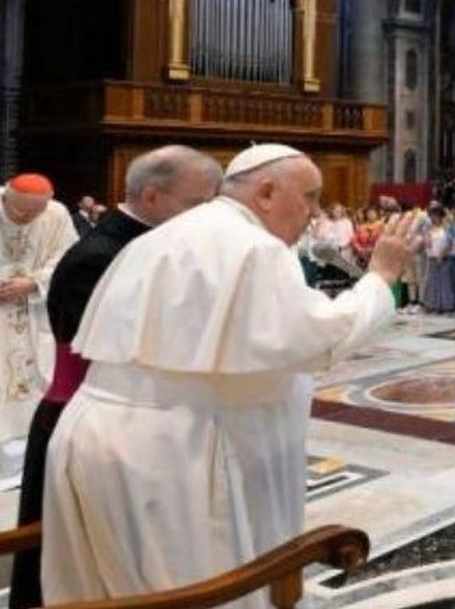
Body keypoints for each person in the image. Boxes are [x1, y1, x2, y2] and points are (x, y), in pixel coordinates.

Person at [41, 144, 413, 607]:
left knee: (108, 586)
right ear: (266, 192)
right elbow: (323, 338)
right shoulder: (252, 247)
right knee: (192, 589)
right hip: (174, 451)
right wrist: (380, 276)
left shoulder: (165, 235)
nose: (314, 212)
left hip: (98, 436)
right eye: (310, 197)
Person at [10, 147, 221, 609]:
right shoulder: (100, 255)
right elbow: (113, 354)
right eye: (196, 204)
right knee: (73, 561)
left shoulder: (147, 244)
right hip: (87, 423)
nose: (206, 217)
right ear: (151, 196)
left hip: (130, 423)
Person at [0, 174, 77, 445]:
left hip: (35, 309)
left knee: (31, 375)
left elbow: (67, 258)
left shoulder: (57, 214)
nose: (28, 217)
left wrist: (34, 282)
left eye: (36, 211)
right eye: (21, 211)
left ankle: (29, 441)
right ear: (5, 198)